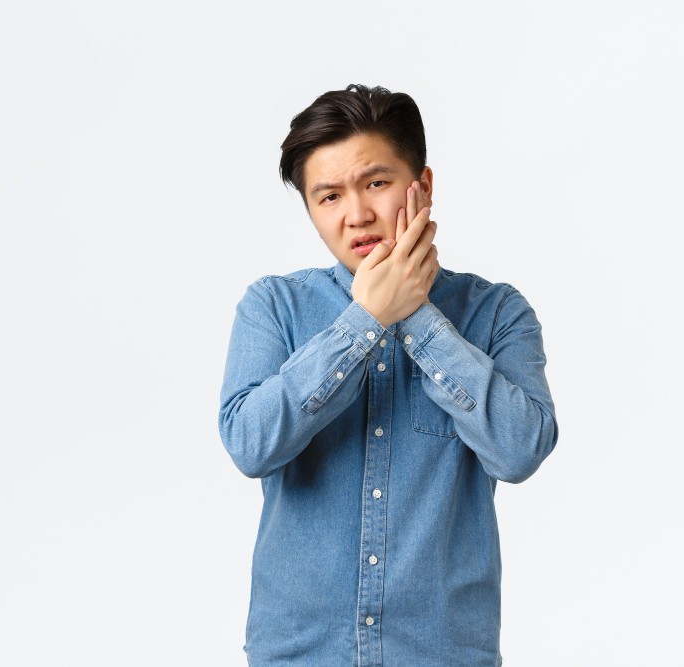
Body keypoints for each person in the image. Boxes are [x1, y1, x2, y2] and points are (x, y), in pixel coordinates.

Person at [219, 84, 558, 666]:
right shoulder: (274, 307)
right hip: (300, 655)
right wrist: (366, 321)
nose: (357, 215)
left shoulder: (496, 312)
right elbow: (250, 445)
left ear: (422, 184)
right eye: (329, 196)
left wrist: (417, 316)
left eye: (376, 183)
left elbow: (520, 450)